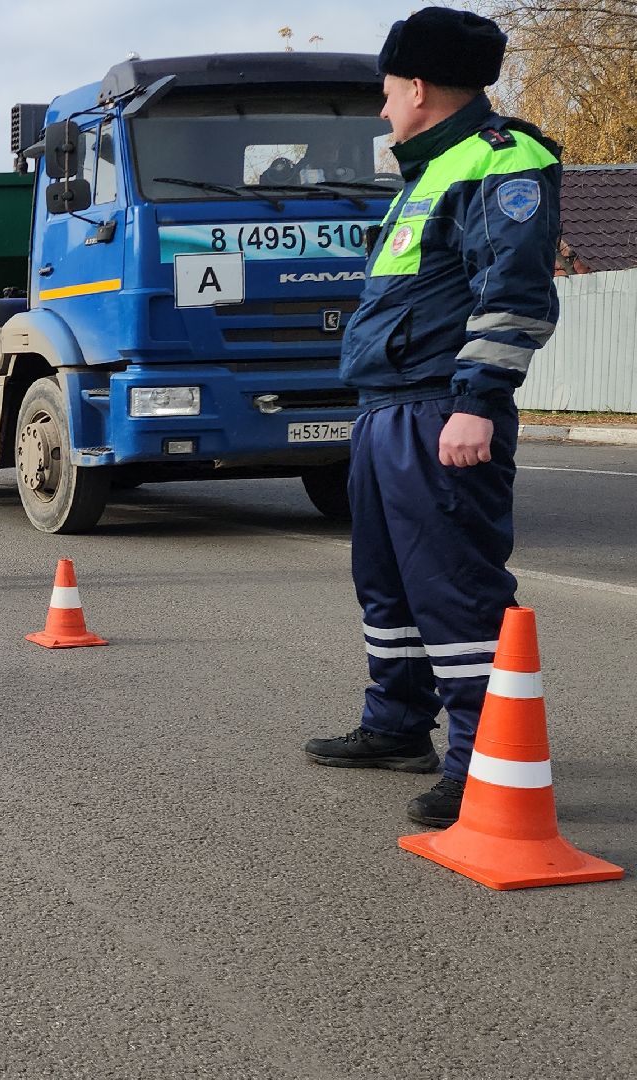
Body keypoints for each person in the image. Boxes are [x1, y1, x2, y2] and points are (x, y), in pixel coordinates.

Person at [303, 6, 562, 827]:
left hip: (439, 410)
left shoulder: (499, 161)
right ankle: (396, 725)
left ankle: (483, 755)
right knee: (387, 583)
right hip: (388, 408)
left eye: (386, 92)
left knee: (454, 589)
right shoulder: (428, 172)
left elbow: (514, 293)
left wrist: (477, 403)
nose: (382, 109)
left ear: (419, 87)